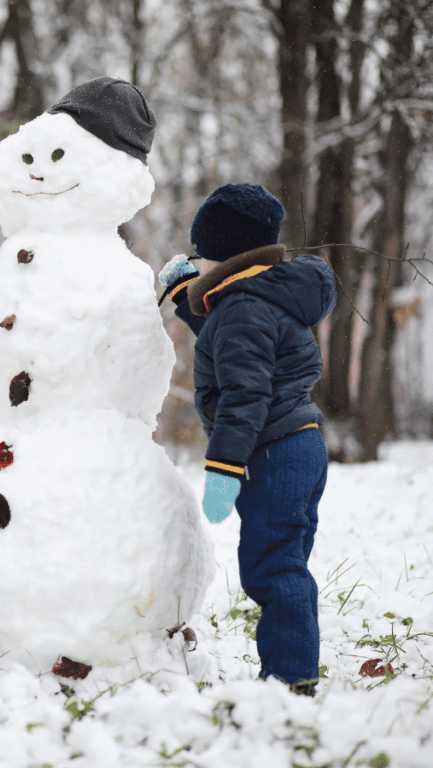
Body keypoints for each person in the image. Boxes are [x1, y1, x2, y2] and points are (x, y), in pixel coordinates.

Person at [157, 183, 337, 695]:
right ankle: (292, 667)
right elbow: (232, 338)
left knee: (272, 566)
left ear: (227, 255)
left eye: (203, 254)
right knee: (285, 559)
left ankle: (288, 679)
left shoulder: (243, 309)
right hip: (298, 442)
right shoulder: (262, 297)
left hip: (273, 449)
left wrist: (223, 469)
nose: (198, 261)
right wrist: (186, 297)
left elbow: (244, 392)